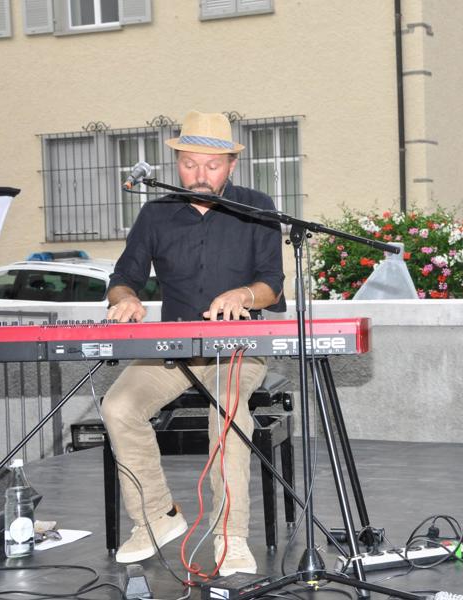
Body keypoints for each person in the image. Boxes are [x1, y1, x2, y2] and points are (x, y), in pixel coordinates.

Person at [101, 111, 284, 575]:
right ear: (177, 163)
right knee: (118, 406)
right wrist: (125, 300)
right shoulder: (156, 212)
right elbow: (124, 277)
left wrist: (244, 294)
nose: (199, 176)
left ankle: (230, 535)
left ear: (231, 166)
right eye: (189, 164)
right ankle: (157, 518)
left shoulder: (257, 206)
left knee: (227, 409)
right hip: (173, 347)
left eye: (212, 165)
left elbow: (272, 286)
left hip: (239, 346)